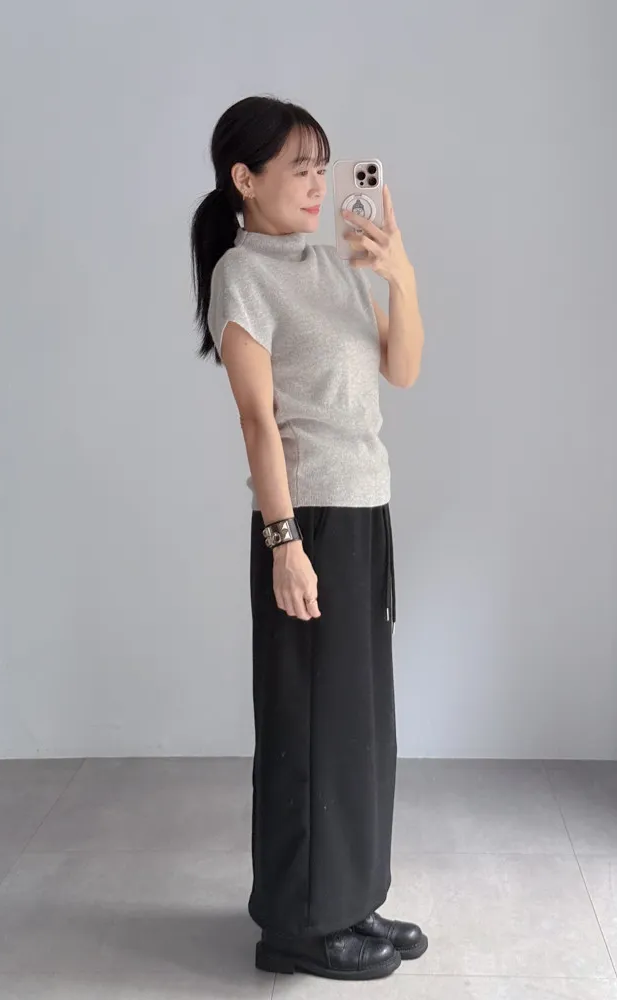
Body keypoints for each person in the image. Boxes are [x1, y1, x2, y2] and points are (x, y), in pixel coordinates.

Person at [189, 95, 426, 982]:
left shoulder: (336, 264)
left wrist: (400, 275)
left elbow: (401, 370)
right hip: (307, 521)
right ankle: (299, 926)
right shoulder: (241, 276)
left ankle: (351, 899)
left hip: (365, 512)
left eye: (324, 167)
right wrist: (284, 543)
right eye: (300, 168)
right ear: (245, 180)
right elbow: (258, 421)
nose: (320, 184)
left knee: (360, 726)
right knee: (308, 729)